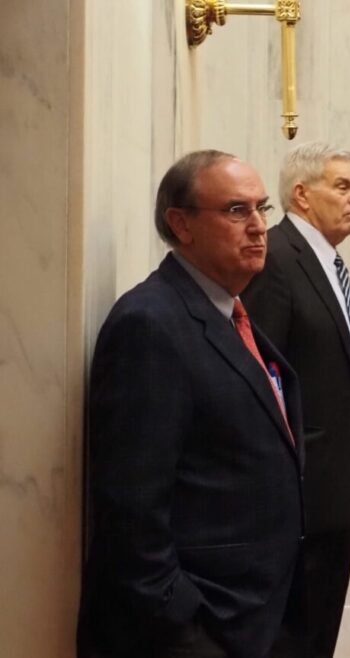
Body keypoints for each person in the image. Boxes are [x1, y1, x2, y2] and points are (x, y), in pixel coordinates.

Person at [78, 150, 304, 657]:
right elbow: (132, 513)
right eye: (236, 211)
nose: (259, 227)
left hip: (253, 616)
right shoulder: (151, 324)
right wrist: (185, 632)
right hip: (195, 631)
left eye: (262, 209)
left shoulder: (228, 314)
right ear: (180, 224)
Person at [241, 142, 350, 658]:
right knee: (293, 637)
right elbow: (260, 381)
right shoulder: (277, 259)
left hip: (340, 484)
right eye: (342, 186)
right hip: (302, 489)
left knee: (319, 632)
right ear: (302, 195)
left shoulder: (329, 263)